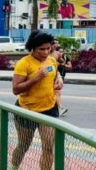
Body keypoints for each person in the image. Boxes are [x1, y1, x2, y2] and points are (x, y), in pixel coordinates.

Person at [11, 31, 62, 170]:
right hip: (26, 110)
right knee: (23, 145)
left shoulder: (51, 60)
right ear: (32, 48)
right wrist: (35, 78)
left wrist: (59, 80)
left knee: (49, 147)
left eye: (48, 48)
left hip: (49, 109)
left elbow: (54, 74)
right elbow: (16, 89)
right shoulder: (24, 63)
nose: (46, 52)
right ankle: (14, 167)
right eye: (42, 49)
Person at [49, 40, 70, 116]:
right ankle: (57, 108)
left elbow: (62, 63)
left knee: (57, 92)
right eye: (54, 43)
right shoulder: (46, 53)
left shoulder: (57, 53)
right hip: (46, 76)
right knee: (52, 93)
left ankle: (60, 108)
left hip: (55, 74)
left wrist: (62, 59)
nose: (56, 45)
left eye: (57, 43)